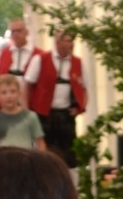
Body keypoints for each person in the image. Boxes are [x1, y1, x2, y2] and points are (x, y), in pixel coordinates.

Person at [22, 30, 87, 164]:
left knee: (68, 155)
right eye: (67, 41)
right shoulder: (40, 59)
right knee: (44, 154)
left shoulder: (78, 63)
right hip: (44, 115)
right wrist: (26, 110)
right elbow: (27, 85)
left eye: (71, 41)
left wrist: (81, 108)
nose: (71, 44)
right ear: (58, 43)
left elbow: (84, 89)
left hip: (66, 116)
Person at [0, 74, 46, 151]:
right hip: (1, 158)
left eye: (13, 92)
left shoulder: (30, 117)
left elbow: (40, 143)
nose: (9, 96)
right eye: (4, 93)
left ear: (19, 93)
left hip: (25, 157)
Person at [0, 19, 39, 97]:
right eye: (13, 31)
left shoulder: (38, 54)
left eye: (19, 31)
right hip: (7, 98)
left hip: (30, 97)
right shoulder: (4, 53)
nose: (16, 34)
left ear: (27, 32)